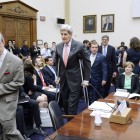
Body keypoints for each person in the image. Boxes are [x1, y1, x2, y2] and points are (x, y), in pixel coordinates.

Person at [55, 24, 91, 115]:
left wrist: (86, 79)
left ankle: (71, 124)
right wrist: (58, 75)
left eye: (65, 34)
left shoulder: (79, 46)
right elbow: (57, 63)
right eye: (62, 34)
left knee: (72, 104)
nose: (63, 36)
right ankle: (68, 121)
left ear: (70, 34)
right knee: (65, 103)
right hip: (63, 79)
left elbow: (87, 62)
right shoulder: (58, 46)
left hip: (75, 79)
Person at [0, 32, 24, 139]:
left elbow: (18, 83)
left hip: (7, 101)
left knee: (10, 131)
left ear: (3, 42)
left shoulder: (16, 61)